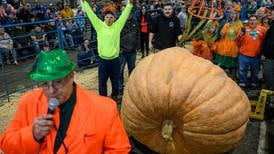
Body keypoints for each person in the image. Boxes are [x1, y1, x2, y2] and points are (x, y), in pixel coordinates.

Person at [0, 49, 131, 153]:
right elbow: (7, 145)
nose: (51, 91)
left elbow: (119, 150)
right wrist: (32, 134)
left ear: (71, 76)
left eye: (58, 82)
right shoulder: (28, 102)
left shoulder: (104, 108)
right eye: (44, 84)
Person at [83, 0, 133, 99]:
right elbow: (91, 15)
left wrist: (130, 4)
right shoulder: (99, 26)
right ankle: (103, 99)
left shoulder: (117, 26)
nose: (109, 19)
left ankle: (114, 96)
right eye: (107, 17)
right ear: (104, 18)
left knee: (115, 81)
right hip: (103, 61)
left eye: (111, 17)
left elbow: (124, 15)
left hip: (115, 60)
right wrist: (84, 2)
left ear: (114, 18)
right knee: (102, 81)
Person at [238, 15, 267, 88]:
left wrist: (264, 53)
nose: (252, 22)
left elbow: (266, 41)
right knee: (242, 70)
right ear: (248, 21)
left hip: (256, 55)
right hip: (244, 54)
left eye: (254, 20)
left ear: (257, 21)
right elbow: (237, 40)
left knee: (255, 71)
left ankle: (254, 82)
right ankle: (242, 82)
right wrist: (240, 35)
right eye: (251, 20)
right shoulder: (243, 29)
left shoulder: (263, 29)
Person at [119, 10, 140, 94]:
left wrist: (138, 46)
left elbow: (138, 35)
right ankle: (120, 87)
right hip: (122, 51)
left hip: (132, 51)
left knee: (132, 69)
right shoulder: (120, 22)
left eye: (129, 13)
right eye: (126, 13)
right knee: (120, 69)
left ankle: (131, 86)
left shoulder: (135, 23)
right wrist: (118, 48)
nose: (128, 15)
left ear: (131, 14)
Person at [261, 7, 274, 90]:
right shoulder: (272, 25)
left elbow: (271, 43)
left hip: (271, 57)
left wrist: (265, 53)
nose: (270, 15)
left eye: (272, 13)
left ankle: (272, 95)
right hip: (269, 56)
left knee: (269, 75)